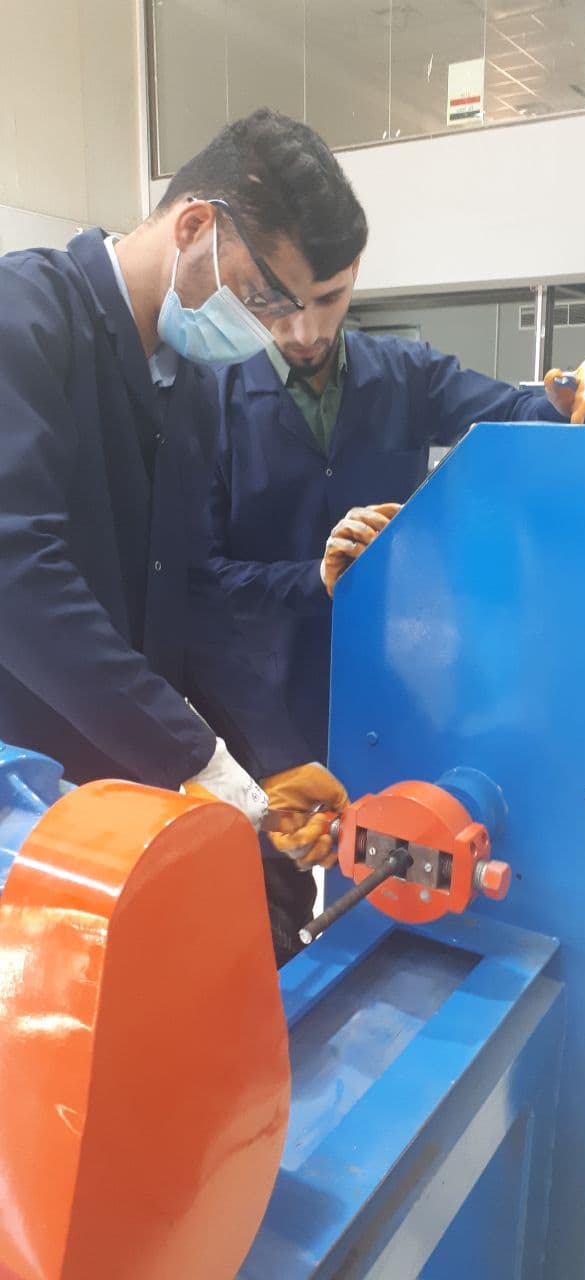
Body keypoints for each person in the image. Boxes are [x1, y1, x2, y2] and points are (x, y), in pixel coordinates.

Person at [0, 114, 358, 963]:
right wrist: (195, 755)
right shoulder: (24, 318)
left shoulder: (189, 383)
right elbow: (18, 575)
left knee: (271, 915)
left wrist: (269, 761)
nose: (277, 330)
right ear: (196, 226)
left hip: (122, 769)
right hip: (27, 789)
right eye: (266, 297)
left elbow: (191, 596)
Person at [210, 111, 585, 774]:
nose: (304, 331)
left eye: (328, 298)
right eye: (281, 303)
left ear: (354, 270)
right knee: (278, 842)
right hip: (258, 707)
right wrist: (312, 579)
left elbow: (514, 413)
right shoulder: (213, 395)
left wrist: (571, 399)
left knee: (392, 831)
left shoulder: (406, 375)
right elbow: (200, 576)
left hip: (391, 680)